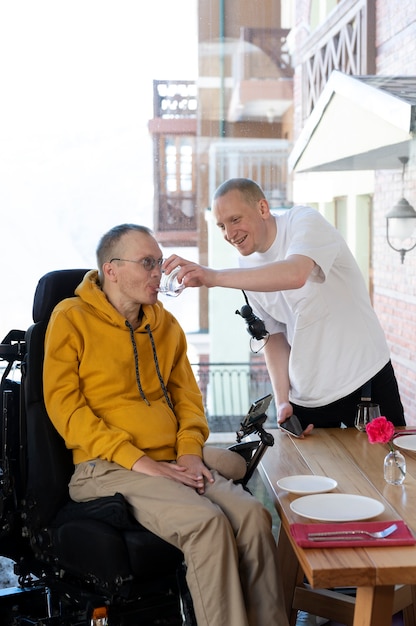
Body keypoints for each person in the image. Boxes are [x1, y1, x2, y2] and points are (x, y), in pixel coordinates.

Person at [43, 223, 289, 626]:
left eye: (159, 263)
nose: (159, 273)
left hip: (172, 460)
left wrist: (190, 453)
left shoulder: (166, 326)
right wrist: (141, 462)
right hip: (105, 466)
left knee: (253, 517)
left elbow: (188, 400)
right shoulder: (71, 318)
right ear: (112, 269)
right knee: (206, 524)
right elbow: (66, 409)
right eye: (147, 263)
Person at [164, 178, 405, 431]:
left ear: (263, 209)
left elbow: (295, 274)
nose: (229, 233)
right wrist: (282, 401)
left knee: (388, 467)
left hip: (364, 379)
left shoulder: (304, 221)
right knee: (313, 471)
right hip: (307, 398)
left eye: (235, 220)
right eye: (221, 225)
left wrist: (213, 277)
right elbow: (274, 336)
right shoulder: (244, 269)